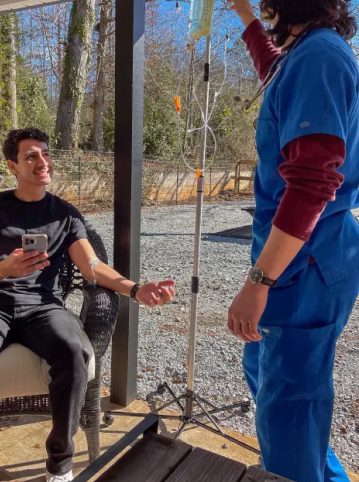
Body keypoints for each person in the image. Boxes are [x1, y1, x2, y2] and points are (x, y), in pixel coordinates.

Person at [0, 127, 176, 482]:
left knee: (74, 351)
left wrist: (135, 288)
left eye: (45, 154)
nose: (42, 162)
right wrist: (6, 267)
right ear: (12, 165)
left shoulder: (65, 213)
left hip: (42, 307)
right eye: (31, 156)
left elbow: (92, 266)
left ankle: (59, 462)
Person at [226, 1, 359, 481]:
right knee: (269, 377)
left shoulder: (319, 57)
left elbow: (312, 183)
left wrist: (258, 281)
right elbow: (273, 66)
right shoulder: (305, 53)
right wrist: (244, 18)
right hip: (295, 258)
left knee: (290, 405)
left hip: (304, 266)